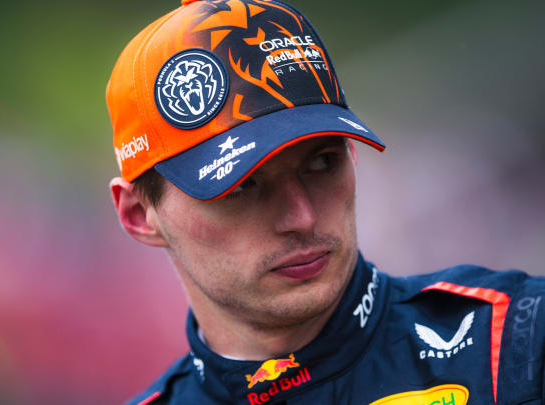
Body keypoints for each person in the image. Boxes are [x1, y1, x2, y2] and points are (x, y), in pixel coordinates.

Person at [105, 0, 545, 404]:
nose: (302, 217)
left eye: (321, 163)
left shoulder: (517, 345)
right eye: (241, 186)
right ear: (140, 215)